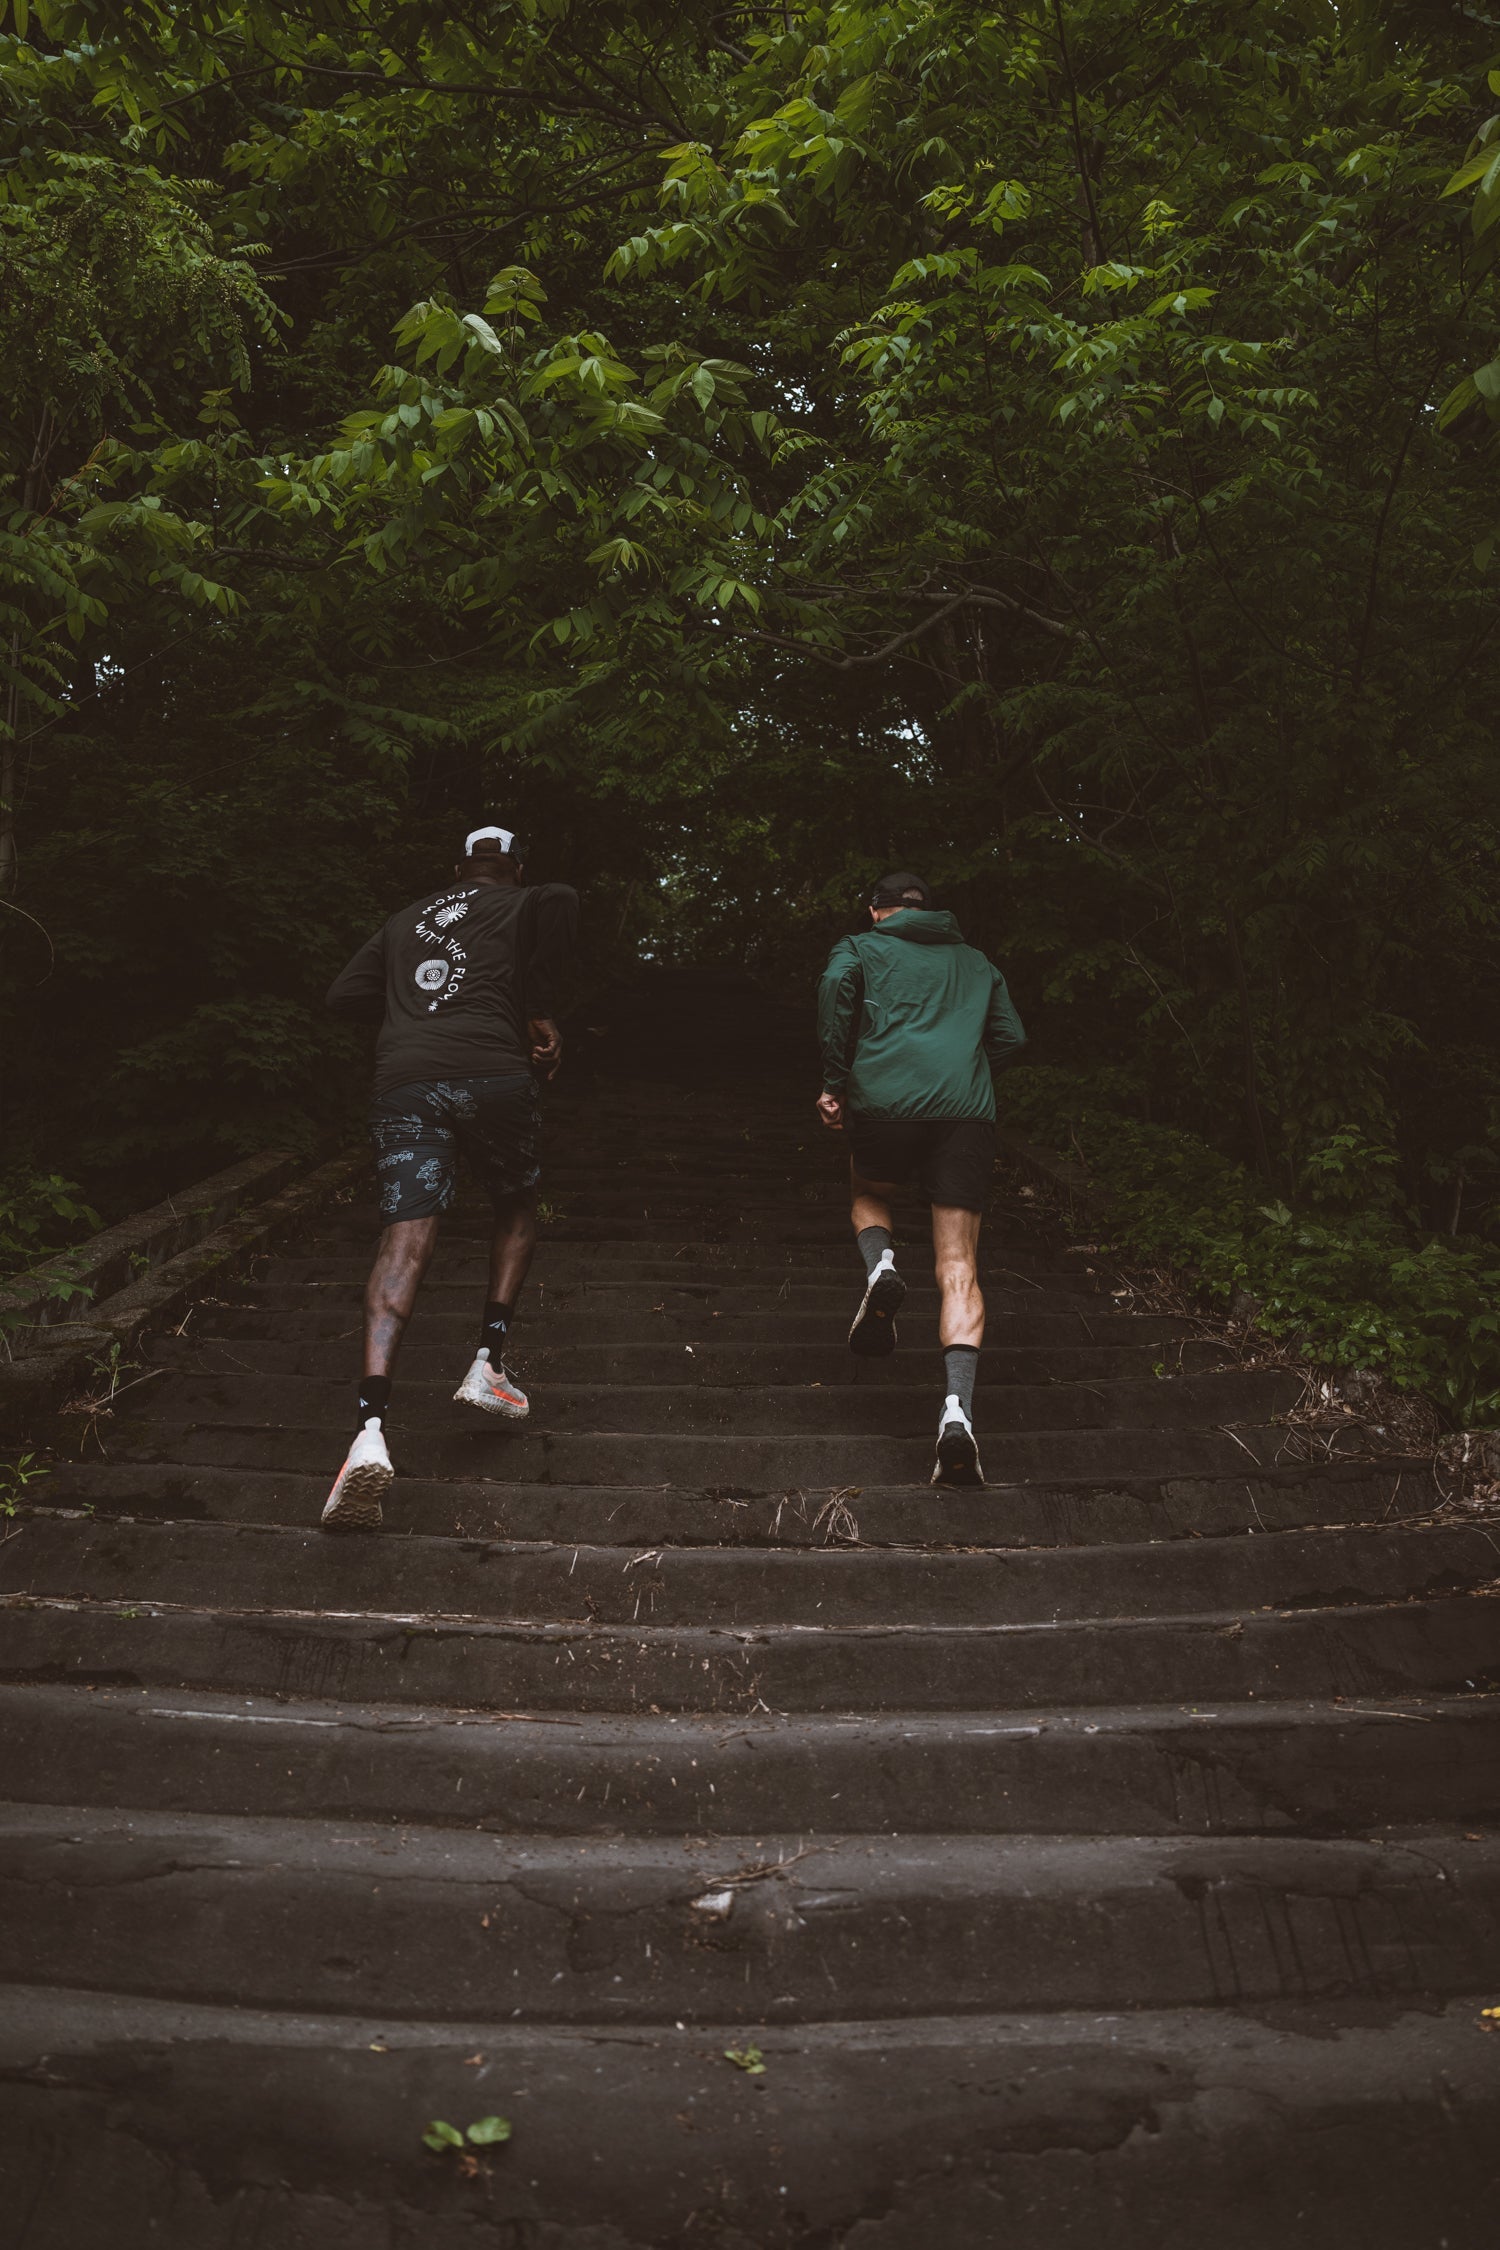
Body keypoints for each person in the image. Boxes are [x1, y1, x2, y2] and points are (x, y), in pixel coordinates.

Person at [318, 825, 578, 1530]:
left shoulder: (403, 920)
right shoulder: (526, 900)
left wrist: (411, 1012)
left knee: (404, 1240)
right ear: (514, 866)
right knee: (515, 1207)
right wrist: (536, 1009)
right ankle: (487, 1361)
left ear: (458, 867)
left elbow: (343, 996)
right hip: (492, 1072)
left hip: (404, 1080)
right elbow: (562, 899)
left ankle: (369, 1431)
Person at [816, 871, 1026, 1487]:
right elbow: (1012, 1036)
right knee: (959, 1266)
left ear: (875, 910)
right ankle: (957, 1412)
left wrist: (834, 1081)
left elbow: (834, 990)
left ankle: (880, 1266)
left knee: (868, 1190)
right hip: (966, 1115)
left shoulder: (860, 947)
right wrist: (962, 1071)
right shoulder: (976, 961)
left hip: (885, 1101)